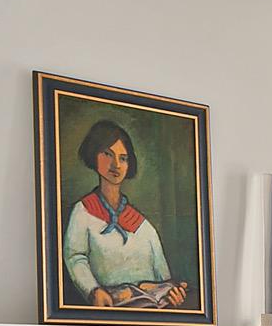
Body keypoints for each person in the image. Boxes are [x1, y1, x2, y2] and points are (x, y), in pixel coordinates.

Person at [61, 119, 190, 308]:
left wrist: (173, 291)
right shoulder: (83, 211)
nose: (116, 164)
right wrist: (93, 291)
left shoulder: (144, 227)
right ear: (94, 155)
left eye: (123, 158)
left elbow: (164, 279)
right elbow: (75, 257)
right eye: (107, 154)